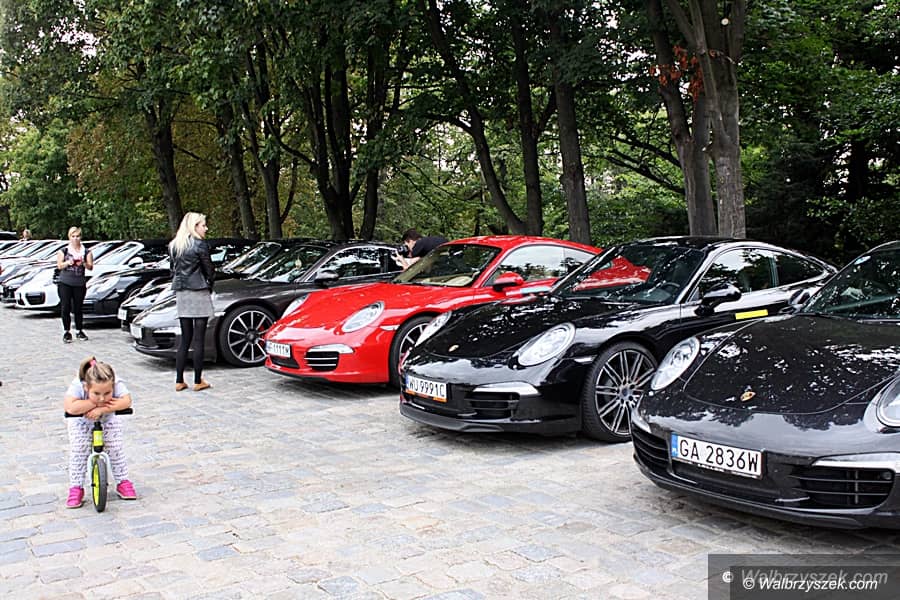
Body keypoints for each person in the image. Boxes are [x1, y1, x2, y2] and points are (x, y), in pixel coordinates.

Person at [64, 357, 137, 508]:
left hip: (108, 418)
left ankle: (123, 481)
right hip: (81, 421)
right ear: (86, 388)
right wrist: (93, 403)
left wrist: (102, 409)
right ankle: (76, 487)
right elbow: (70, 407)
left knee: (115, 448)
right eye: (96, 393)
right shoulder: (78, 385)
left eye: (108, 393)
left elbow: (126, 401)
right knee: (79, 450)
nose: (102, 398)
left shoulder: (115, 382)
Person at [170, 212, 214, 392]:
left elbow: (172, 269)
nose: (206, 228)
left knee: (185, 338)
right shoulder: (199, 244)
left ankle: (179, 380)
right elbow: (208, 268)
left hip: (182, 291)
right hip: (198, 289)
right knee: (199, 339)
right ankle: (197, 380)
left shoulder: (175, 245)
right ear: (195, 226)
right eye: (203, 225)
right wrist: (210, 284)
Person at [57, 226, 94, 343]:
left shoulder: (86, 252)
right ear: (69, 237)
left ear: (80, 237)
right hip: (65, 282)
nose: (75, 239)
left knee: (78, 307)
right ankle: (67, 331)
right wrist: (68, 262)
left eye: (77, 236)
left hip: (79, 283)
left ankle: (79, 330)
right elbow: (59, 265)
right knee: (65, 307)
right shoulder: (64, 251)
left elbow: (91, 267)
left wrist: (83, 263)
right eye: (73, 236)